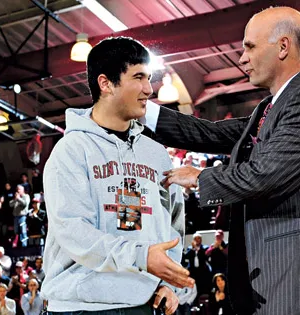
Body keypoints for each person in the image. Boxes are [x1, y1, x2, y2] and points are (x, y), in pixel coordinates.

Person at [142, 6, 300, 315]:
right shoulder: (273, 106)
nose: (241, 58)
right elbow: (210, 133)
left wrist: (200, 178)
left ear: (283, 46)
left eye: (249, 46)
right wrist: (144, 110)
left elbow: (266, 174)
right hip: (286, 278)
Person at [41, 36, 193, 315]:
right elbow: (73, 232)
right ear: (106, 83)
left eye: (149, 78)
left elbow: (173, 225)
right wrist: (141, 258)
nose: (149, 89)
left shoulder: (156, 153)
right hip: (82, 307)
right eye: (138, 77)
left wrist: (166, 279)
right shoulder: (71, 150)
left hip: (143, 304)